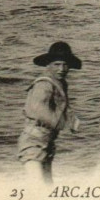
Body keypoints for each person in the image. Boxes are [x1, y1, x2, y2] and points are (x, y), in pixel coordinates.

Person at [17, 41, 82, 185]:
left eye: (65, 65)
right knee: (38, 187)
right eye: (57, 64)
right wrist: (64, 123)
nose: (62, 69)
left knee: (47, 188)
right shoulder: (44, 84)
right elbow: (38, 110)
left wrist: (72, 118)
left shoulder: (60, 83)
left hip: (47, 143)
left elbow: (60, 107)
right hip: (33, 142)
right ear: (48, 65)